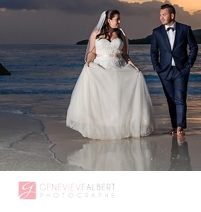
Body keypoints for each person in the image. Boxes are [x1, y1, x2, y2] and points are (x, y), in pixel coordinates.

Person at [66, 10, 156, 139]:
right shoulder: (96, 34)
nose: (119, 22)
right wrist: (88, 62)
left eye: (119, 19)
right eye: (117, 19)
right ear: (109, 20)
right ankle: (103, 128)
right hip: (101, 68)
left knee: (118, 98)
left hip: (118, 68)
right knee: (103, 99)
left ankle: (119, 127)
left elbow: (125, 54)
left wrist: (134, 66)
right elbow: (92, 52)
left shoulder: (121, 34)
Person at [150, 3, 198, 135]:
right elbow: (154, 52)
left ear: (172, 15)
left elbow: (194, 47)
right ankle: (174, 126)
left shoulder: (185, 29)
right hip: (164, 72)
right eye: (160, 15)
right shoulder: (157, 32)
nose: (161, 17)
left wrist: (188, 65)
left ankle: (180, 127)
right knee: (170, 100)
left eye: (163, 15)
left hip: (181, 70)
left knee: (180, 99)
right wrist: (157, 68)